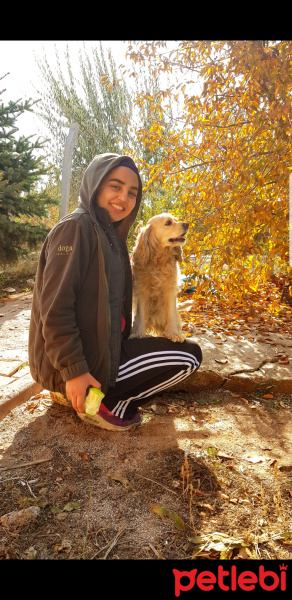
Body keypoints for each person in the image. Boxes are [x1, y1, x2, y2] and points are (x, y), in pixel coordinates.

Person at [29, 153, 202, 431]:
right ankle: (104, 401)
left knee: (184, 349)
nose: (124, 197)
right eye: (115, 186)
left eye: (132, 192)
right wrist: (74, 371)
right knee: (188, 358)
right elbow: (55, 309)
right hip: (81, 364)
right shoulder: (75, 230)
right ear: (96, 184)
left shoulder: (112, 236)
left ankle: (95, 393)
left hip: (106, 351)